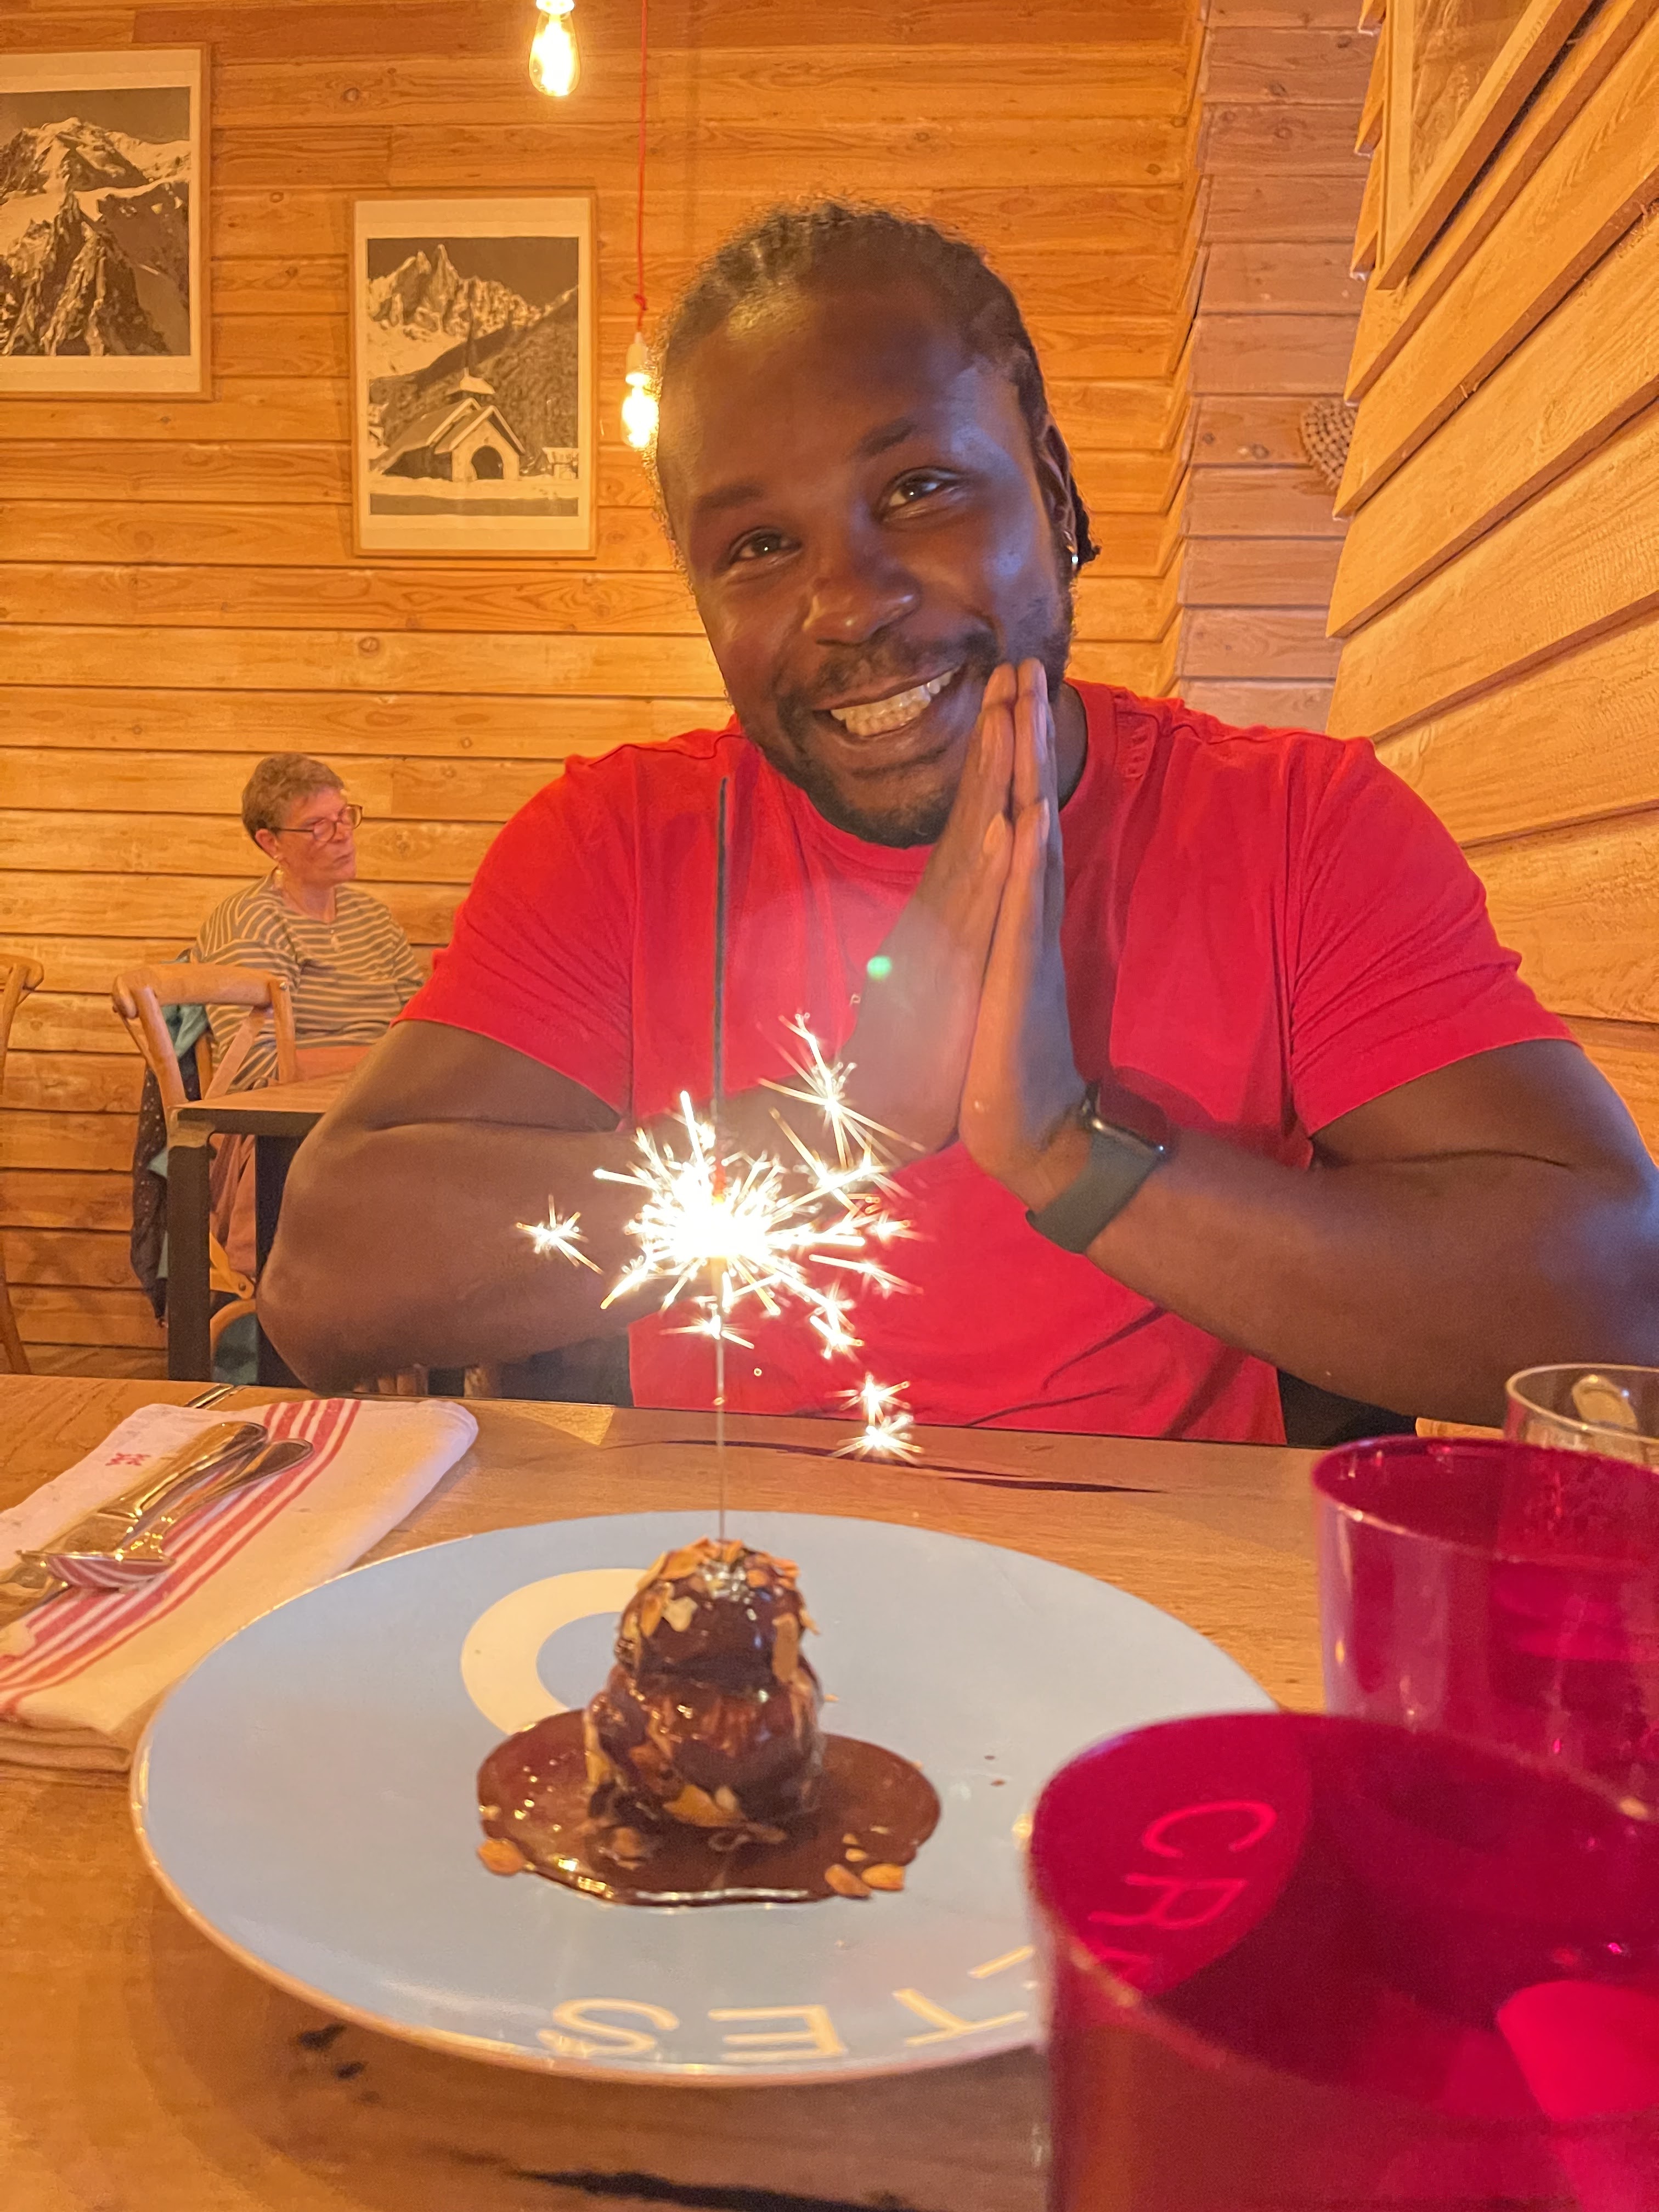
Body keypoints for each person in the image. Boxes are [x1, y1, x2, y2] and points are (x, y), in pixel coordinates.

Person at [259, 205, 1659, 1438]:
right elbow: (324, 1281)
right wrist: (844, 1124)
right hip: (734, 1601)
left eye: (918, 488)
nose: (848, 603)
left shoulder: (1297, 826)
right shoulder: (620, 844)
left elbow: (1618, 1310)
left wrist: (1068, 1152)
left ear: (1052, 486)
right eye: (759, 546)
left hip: (1163, 1602)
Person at [195, 753, 424, 1273]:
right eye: (319, 826)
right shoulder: (252, 920)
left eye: (345, 817)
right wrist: (390, 1060)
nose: (343, 836)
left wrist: (411, 1060)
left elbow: (418, 1026)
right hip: (292, 1133)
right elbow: (258, 1066)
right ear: (271, 843)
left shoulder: (373, 919)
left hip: (378, 1113)